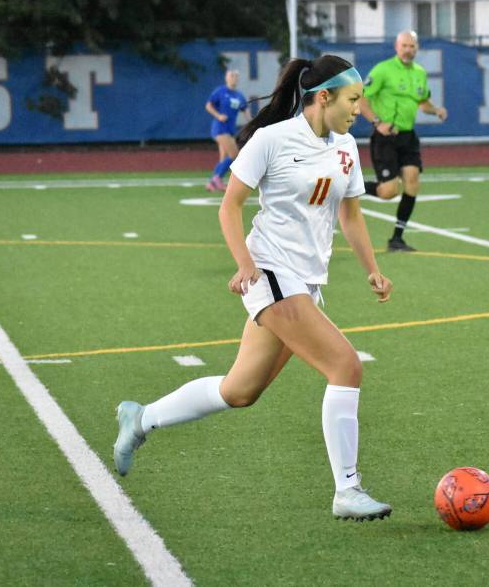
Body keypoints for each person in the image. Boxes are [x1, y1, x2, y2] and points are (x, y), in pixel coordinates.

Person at [113, 55, 396, 522]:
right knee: (345, 366)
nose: (357, 109)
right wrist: (245, 264)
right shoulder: (271, 139)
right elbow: (230, 207)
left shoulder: (346, 147)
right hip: (271, 272)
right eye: (351, 99)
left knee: (239, 390)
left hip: (305, 281)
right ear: (322, 97)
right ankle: (347, 491)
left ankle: (140, 418)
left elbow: (350, 214)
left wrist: (372, 269)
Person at [358, 30, 448, 252]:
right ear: (396, 47)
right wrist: (377, 123)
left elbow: (422, 102)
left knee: (412, 179)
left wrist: (435, 110)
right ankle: (348, 187)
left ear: (417, 48)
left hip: (408, 137)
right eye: (405, 46)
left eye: (412, 46)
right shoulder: (383, 70)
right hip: (385, 138)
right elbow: (361, 99)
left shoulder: (419, 72)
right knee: (388, 192)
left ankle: (396, 238)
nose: (408, 50)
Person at [204, 69, 249, 192]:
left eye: (236, 76)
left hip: (230, 130)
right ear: (226, 78)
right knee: (234, 155)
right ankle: (217, 179)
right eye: (231, 75)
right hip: (220, 128)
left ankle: (212, 183)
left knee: (224, 158)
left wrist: (252, 123)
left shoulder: (239, 95)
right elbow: (208, 105)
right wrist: (218, 116)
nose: (234, 78)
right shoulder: (220, 91)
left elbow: (245, 110)